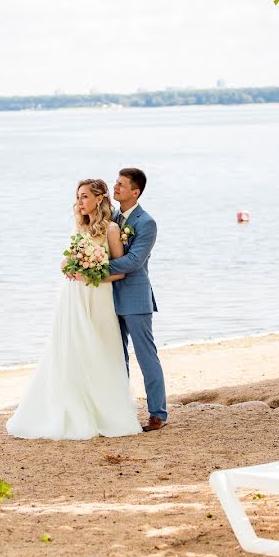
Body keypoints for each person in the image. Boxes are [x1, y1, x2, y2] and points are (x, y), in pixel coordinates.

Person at [6, 179, 142, 440]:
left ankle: (103, 411)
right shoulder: (81, 227)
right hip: (72, 297)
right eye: (78, 197)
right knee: (68, 349)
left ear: (99, 198)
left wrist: (90, 276)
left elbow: (120, 273)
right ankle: (67, 407)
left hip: (98, 297)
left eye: (84, 197)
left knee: (98, 350)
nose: (79, 202)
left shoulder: (111, 229)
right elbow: (71, 259)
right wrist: (70, 265)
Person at [110, 168, 167, 432]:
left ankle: (158, 413)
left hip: (135, 297)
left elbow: (134, 261)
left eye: (121, 185)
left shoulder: (146, 222)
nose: (116, 187)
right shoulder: (111, 217)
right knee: (115, 357)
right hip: (108, 297)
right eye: (116, 183)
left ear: (136, 191)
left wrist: (96, 267)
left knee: (146, 357)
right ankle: (121, 410)